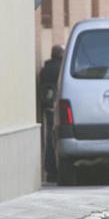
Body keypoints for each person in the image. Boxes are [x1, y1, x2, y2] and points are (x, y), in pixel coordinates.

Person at [39, 45, 64, 182]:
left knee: (49, 138)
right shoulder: (61, 68)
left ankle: (50, 171)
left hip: (47, 107)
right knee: (56, 139)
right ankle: (57, 169)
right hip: (58, 108)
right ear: (61, 55)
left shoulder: (45, 69)